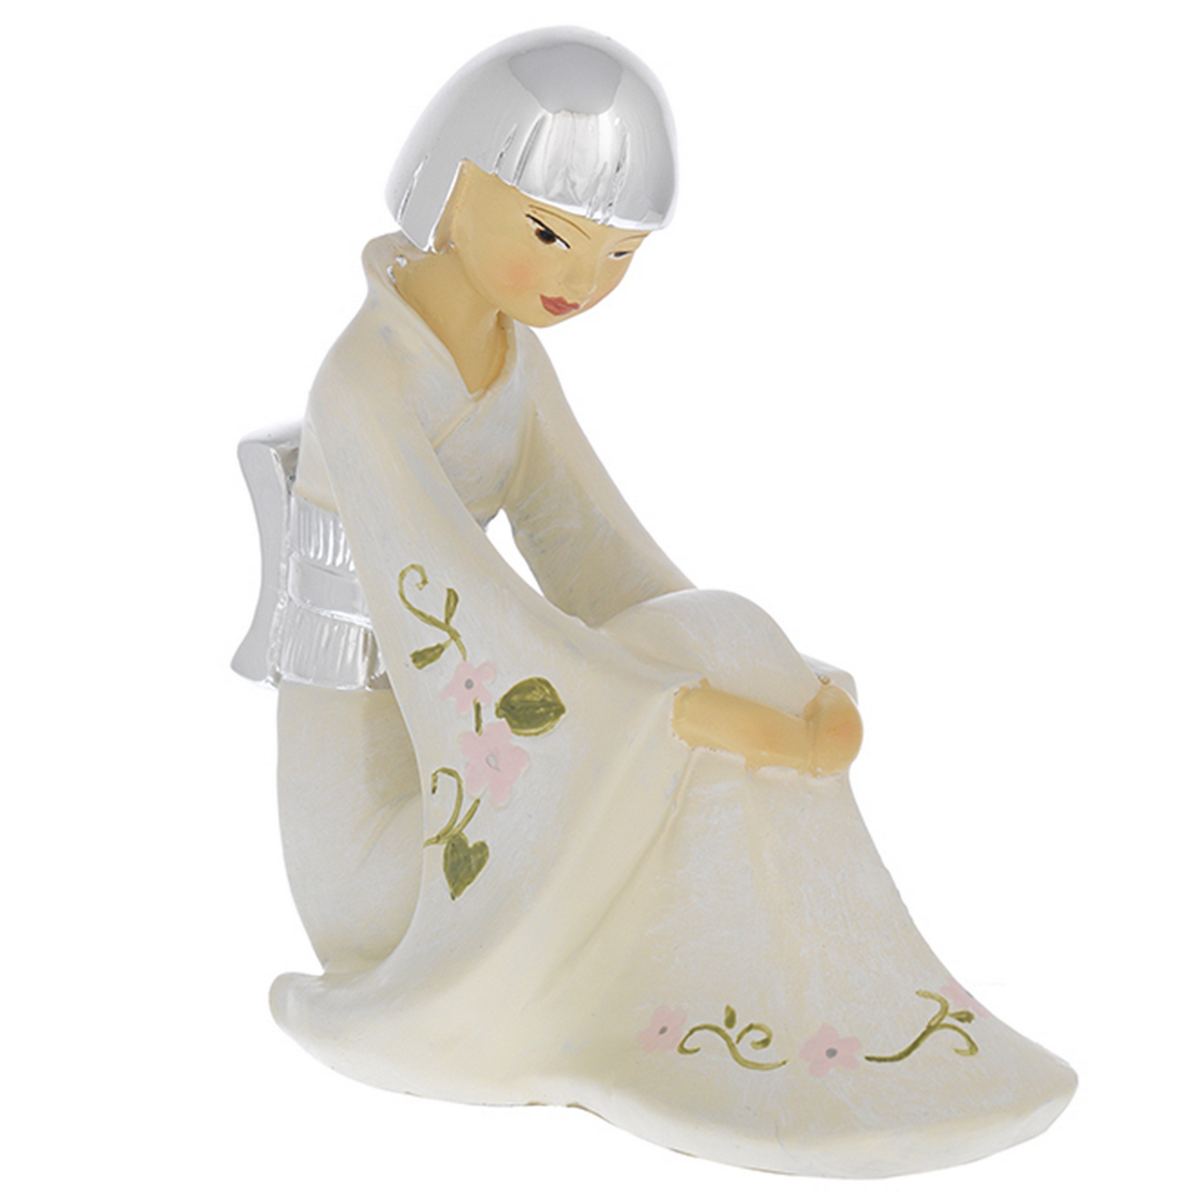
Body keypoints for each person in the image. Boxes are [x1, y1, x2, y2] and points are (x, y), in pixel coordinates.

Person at [234, 26, 1076, 1177]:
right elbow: (467, 620)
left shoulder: (514, 361)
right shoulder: (366, 382)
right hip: (402, 859)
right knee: (676, 700)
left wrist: (770, 678)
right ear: (455, 186)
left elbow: (605, 558)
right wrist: (682, 713)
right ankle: (748, 1031)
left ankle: (813, 1035)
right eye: (551, 234)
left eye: (620, 253)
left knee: (717, 630)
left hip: (468, 751)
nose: (582, 281)